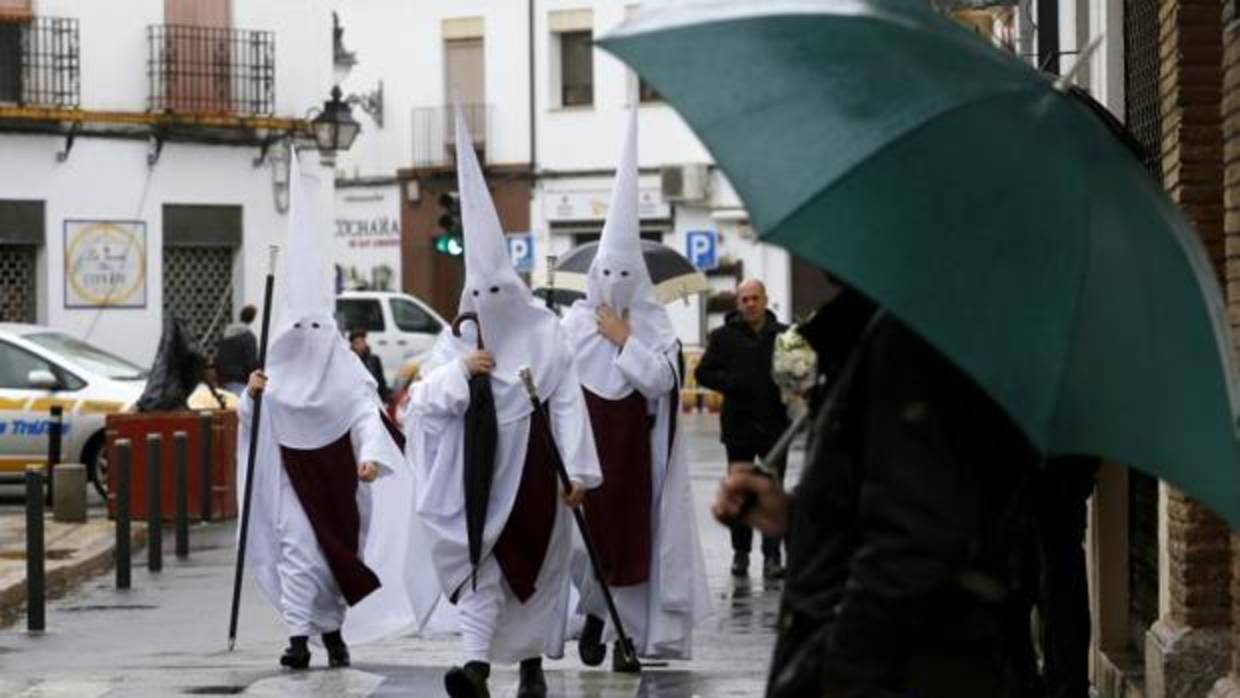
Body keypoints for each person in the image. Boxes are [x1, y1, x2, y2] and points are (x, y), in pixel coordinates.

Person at [713, 285, 1042, 698]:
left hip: (902, 668)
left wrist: (839, 670)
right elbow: (884, 498)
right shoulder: (872, 331)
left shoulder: (913, 340)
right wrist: (794, 515)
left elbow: (916, 537)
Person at [404, 108, 601, 698]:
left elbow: (568, 403)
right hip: (481, 480)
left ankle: (533, 668)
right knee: (482, 568)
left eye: (498, 292)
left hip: (539, 476)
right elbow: (421, 403)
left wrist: (581, 472)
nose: (490, 303)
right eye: (479, 294)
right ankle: (475, 668)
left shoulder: (548, 335)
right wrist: (463, 372)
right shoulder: (459, 338)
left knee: (536, 574)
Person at [236, 148, 427, 672]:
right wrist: (251, 396)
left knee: (336, 555)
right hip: (292, 484)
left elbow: (366, 413)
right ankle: (299, 636)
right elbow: (250, 425)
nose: (308, 340)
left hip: (343, 481)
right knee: (298, 550)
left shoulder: (346, 372)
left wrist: (371, 457)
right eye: (299, 330)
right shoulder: (271, 380)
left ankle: (334, 630)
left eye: (316, 329)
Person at [561, 110, 710, 670]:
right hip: (584, 456)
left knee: (633, 548)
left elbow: (662, 382)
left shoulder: (655, 328)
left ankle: (628, 639)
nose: (616, 285)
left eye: (627, 276)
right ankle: (595, 615)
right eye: (609, 274)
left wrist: (625, 341)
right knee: (585, 545)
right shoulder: (572, 325)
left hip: (635, 457)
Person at [695, 279, 791, 579]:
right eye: (744, 299)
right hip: (738, 426)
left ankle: (773, 557)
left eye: (755, 298)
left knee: (771, 490)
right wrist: (730, 384)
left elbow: (800, 370)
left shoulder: (784, 335)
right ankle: (741, 555)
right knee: (739, 492)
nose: (750, 304)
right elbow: (703, 372)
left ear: (765, 300)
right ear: (738, 303)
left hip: (775, 425)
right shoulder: (724, 337)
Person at [216, 304, 259, 396]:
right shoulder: (248, 337)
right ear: (253, 318)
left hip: (224, 381)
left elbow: (219, 356)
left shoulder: (225, 334)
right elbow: (251, 363)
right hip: (240, 382)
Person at [349, 329, 391, 404]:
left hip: (373, 399)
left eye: (363, 342)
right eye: (357, 343)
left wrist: (385, 399)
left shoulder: (374, 360)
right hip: (357, 399)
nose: (361, 346)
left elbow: (381, 380)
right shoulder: (350, 361)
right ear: (352, 345)